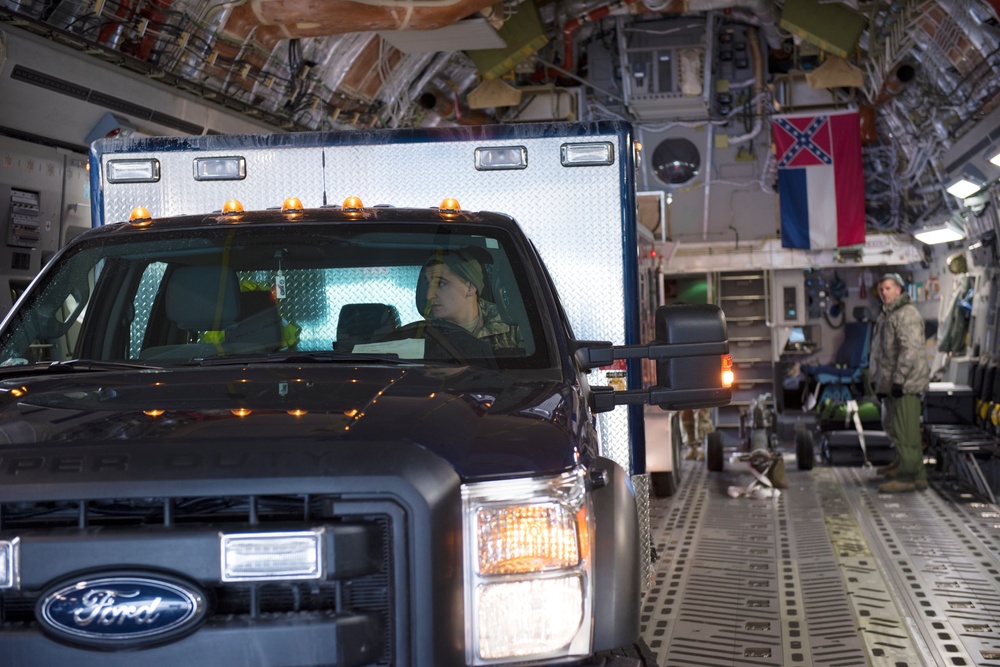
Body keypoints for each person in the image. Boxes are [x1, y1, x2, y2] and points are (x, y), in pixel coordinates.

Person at [869, 272, 930, 493]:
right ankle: (911, 470)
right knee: (896, 428)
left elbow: (910, 350)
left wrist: (898, 380)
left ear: (899, 290)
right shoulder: (888, 314)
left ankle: (908, 477)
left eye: (888, 288)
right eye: (881, 289)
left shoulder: (906, 314)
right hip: (893, 383)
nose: (884, 292)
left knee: (906, 432)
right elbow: (882, 352)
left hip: (906, 384)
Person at [420, 249, 523, 350]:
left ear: (470, 287)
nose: (429, 295)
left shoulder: (512, 324)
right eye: (429, 284)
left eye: (441, 283)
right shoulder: (427, 336)